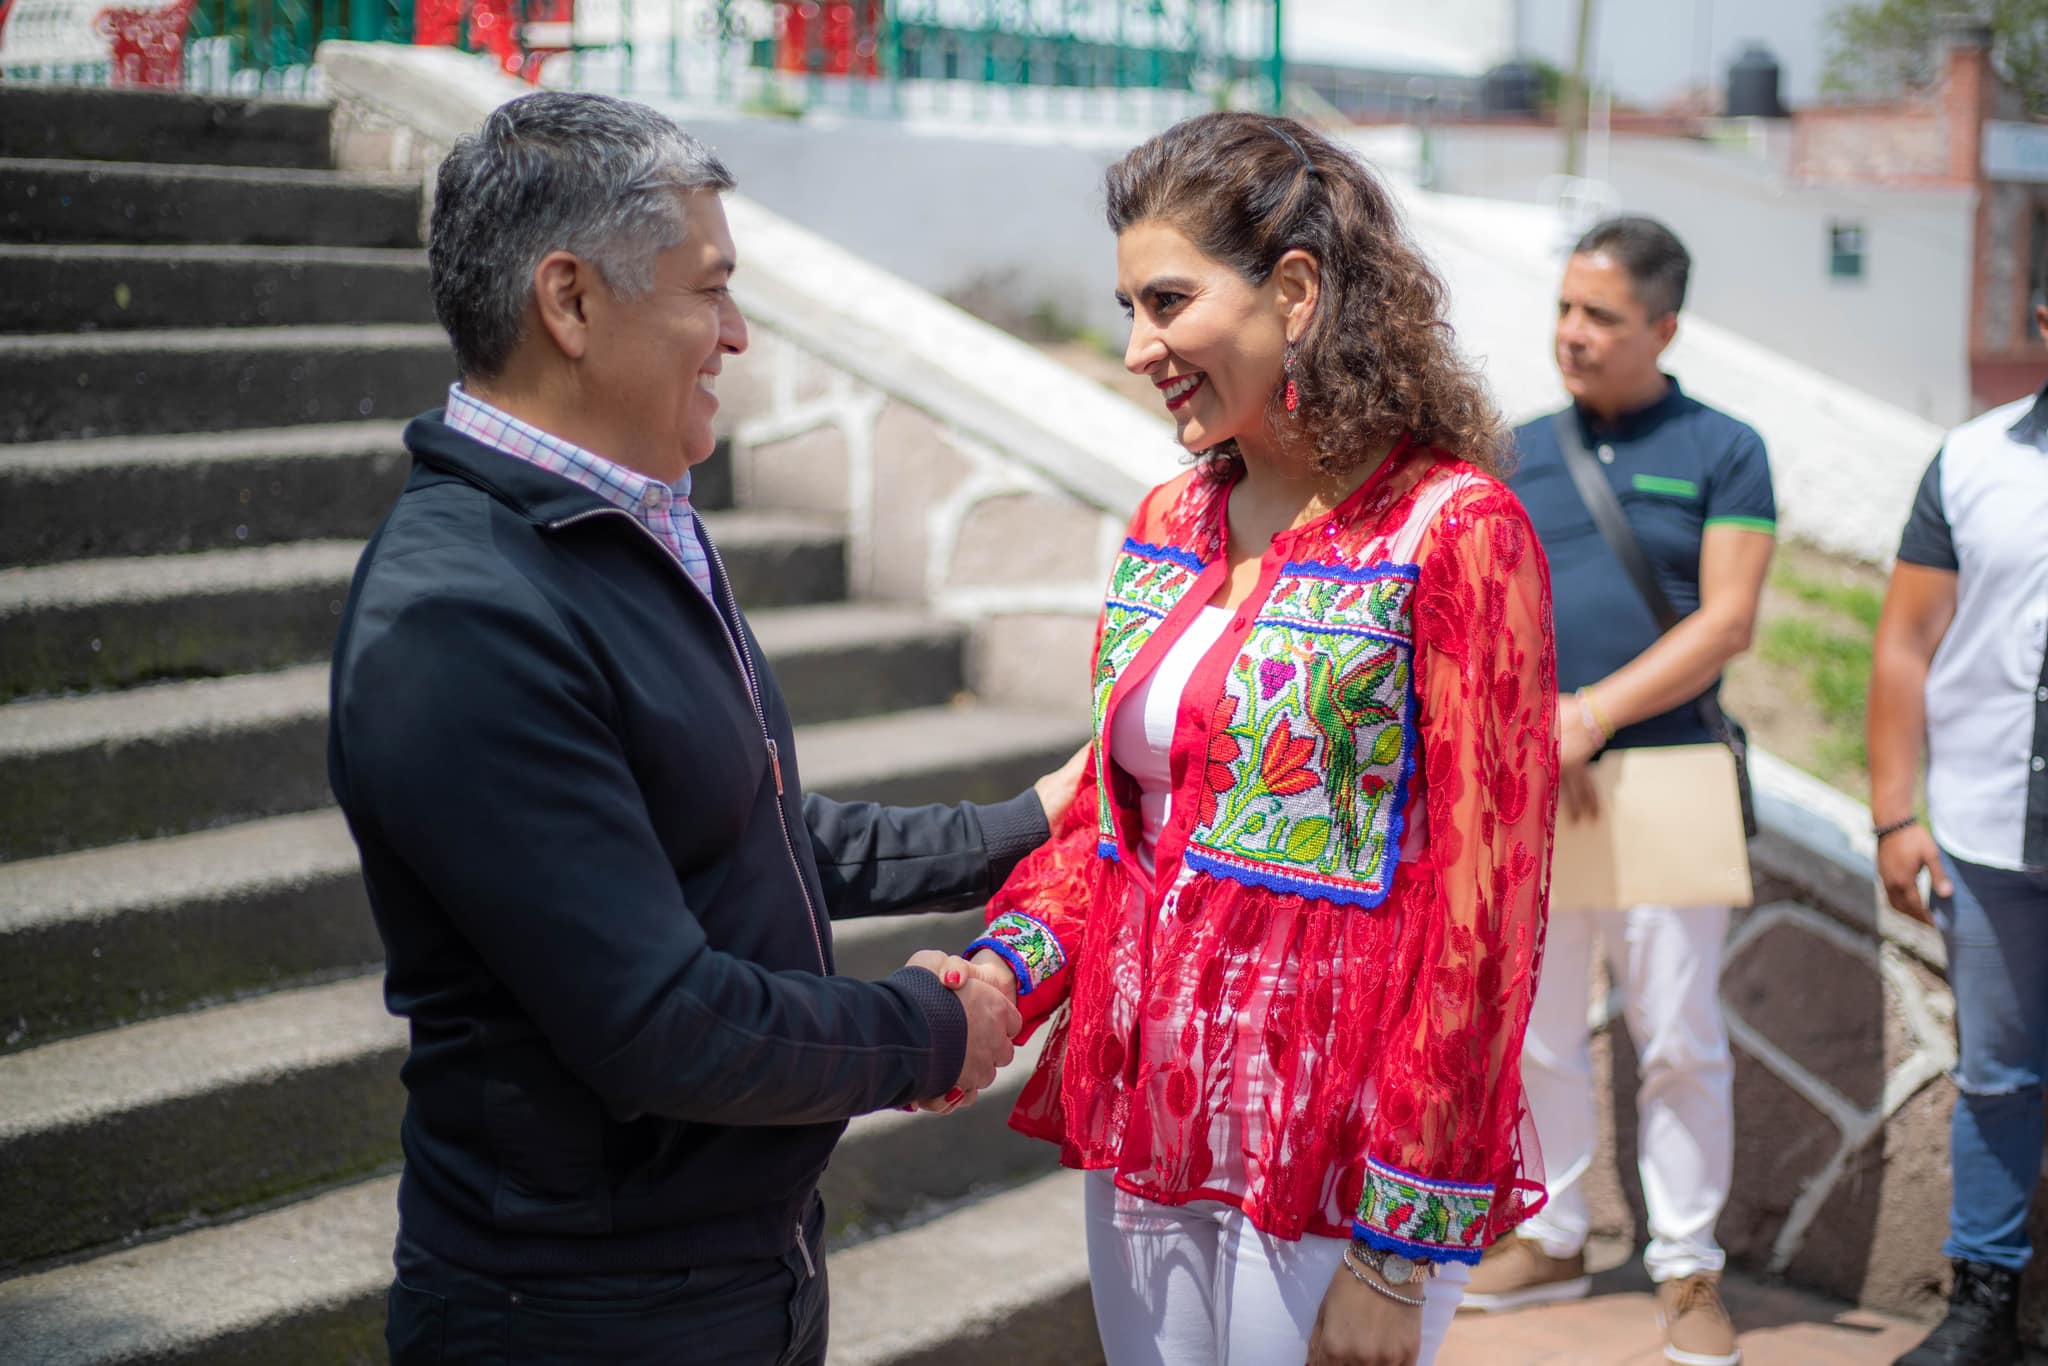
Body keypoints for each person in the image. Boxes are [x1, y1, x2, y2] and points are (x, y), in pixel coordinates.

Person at [326, 91, 1085, 1365]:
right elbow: (660, 1021)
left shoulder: (623, 515)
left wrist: (1020, 830)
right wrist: (931, 1030)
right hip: (587, 1310)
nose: (735, 335)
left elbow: (739, 824)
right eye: (709, 291)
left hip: (736, 1265)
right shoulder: (461, 615)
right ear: (569, 304)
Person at [942, 113, 1559, 1366]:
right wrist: (1005, 973)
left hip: (1330, 1142)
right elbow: (1115, 828)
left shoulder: (1455, 531)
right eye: (1125, 306)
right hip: (1146, 1101)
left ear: (1293, 291)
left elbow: (1486, 908)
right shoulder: (1170, 517)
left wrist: (1400, 1245)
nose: (1135, 349)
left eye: (1166, 301)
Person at [1466, 216, 1775, 1366]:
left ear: (1662, 326)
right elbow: (1479, 608)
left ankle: (1686, 1267)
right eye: (1562, 309)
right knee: (1538, 1032)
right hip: (1534, 783)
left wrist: (1588, 719)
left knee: (1679, 1033)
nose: (1571, 335)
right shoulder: (1513, 449)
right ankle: (1548, 1233)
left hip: (1665, 775)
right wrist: (1534, 731)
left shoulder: (1723, 448)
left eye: (1599, 315)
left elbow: (1727, 619)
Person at [1867, 294, 2048, 1366]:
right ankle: (1980, 1307)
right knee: (1994, 1076)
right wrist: (1894, 811)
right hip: (1986, 834)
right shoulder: (1971, 459)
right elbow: (1903, 640)